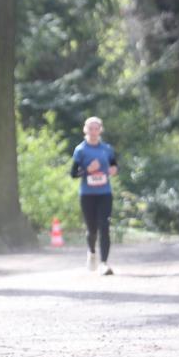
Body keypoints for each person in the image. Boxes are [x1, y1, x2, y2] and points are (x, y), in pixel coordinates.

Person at [70, 116, 118, 276]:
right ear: (86, 130)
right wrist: (88, 170)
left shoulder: (107, 149)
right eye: (90, 128)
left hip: (104, 193)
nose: (93, 131)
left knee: (104, 226)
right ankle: (91, 253)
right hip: (87, 194)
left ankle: (104, 263)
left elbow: (113, 165)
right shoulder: (81, 150)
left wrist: (113, 170)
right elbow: (73, 173)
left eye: (96, 128)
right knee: (92, 229)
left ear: (100, 130)